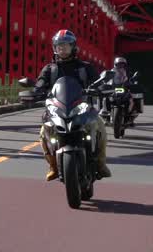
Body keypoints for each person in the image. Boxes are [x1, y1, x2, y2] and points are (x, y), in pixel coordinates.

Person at [33, 29, 112, 182]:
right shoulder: (50, 69)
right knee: (44, 132)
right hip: (57, 109)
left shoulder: (85, 67)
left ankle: (101, 164)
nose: (62, 49)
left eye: (65, 45)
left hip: (82, 107)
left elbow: (98, 81)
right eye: (58, 46)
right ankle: (53, 166)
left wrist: (101, 88)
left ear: (73, 47)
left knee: (100, 125)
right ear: (54, 48)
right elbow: (40, 83)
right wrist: (36, 91)